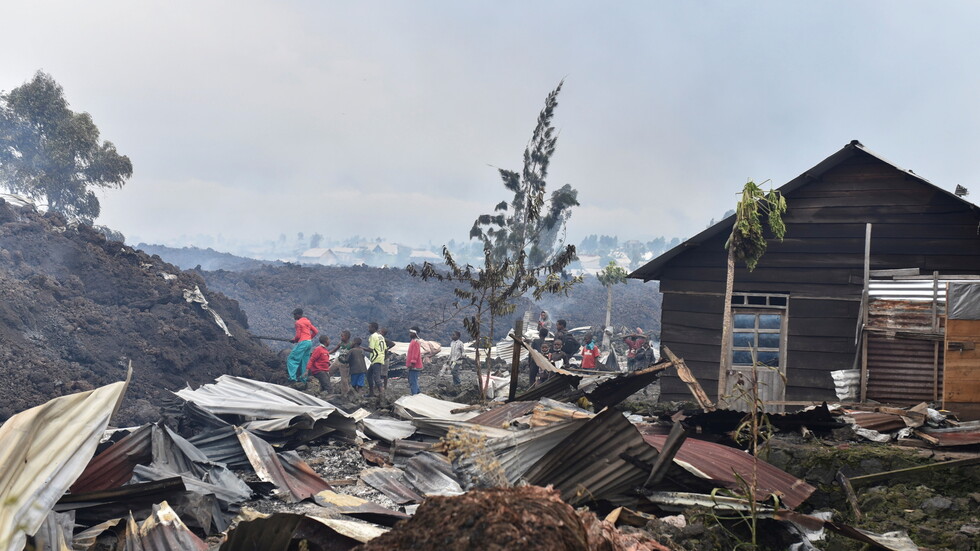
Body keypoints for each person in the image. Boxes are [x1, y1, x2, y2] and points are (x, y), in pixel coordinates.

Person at [287, 308, 318, 382]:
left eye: (294, 315)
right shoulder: (307, 321)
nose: (294, 317)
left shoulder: (298, 323)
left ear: (298, 315)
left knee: (292, 359)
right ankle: (303, 379)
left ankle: (292, 378)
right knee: (305, 361)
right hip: (309, 343)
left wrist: (294, 340)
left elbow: (298, 336)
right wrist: (309, 338)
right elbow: (316, 331)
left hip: (303, 342)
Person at [367, 322, 388, 400]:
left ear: (373, 328)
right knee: (369, 375)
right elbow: (385, 349)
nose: (368, 329)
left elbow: (371, 349)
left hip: (376, 359)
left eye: (370, 327)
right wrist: (383, 357)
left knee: (376, 377)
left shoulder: (373, 336)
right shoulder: (381, 336)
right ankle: (371, 393)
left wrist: (360, 348)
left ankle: (382, 394)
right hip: (378, 359)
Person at [330, 330, 353, 397]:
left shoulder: (351, 345)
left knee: (344, 379)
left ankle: (345, 394)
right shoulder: (341, 343)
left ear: (347, 337)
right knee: (329, 372)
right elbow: (334, 350)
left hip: (345, 364)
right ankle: (326, 387)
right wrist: (327, 353)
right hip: (338, 360)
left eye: (342, 336)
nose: (341, 337)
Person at [405, 326, 427, 395]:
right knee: (414, 380)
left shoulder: (416, 342)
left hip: (414, 366)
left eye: (411, 333)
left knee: (413, 381)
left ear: (415, 333)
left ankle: (414, 395)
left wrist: (412, 362)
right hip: (413, 365)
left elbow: (415, 353)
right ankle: (418, 393)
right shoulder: (413, 341)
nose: (409, 334)